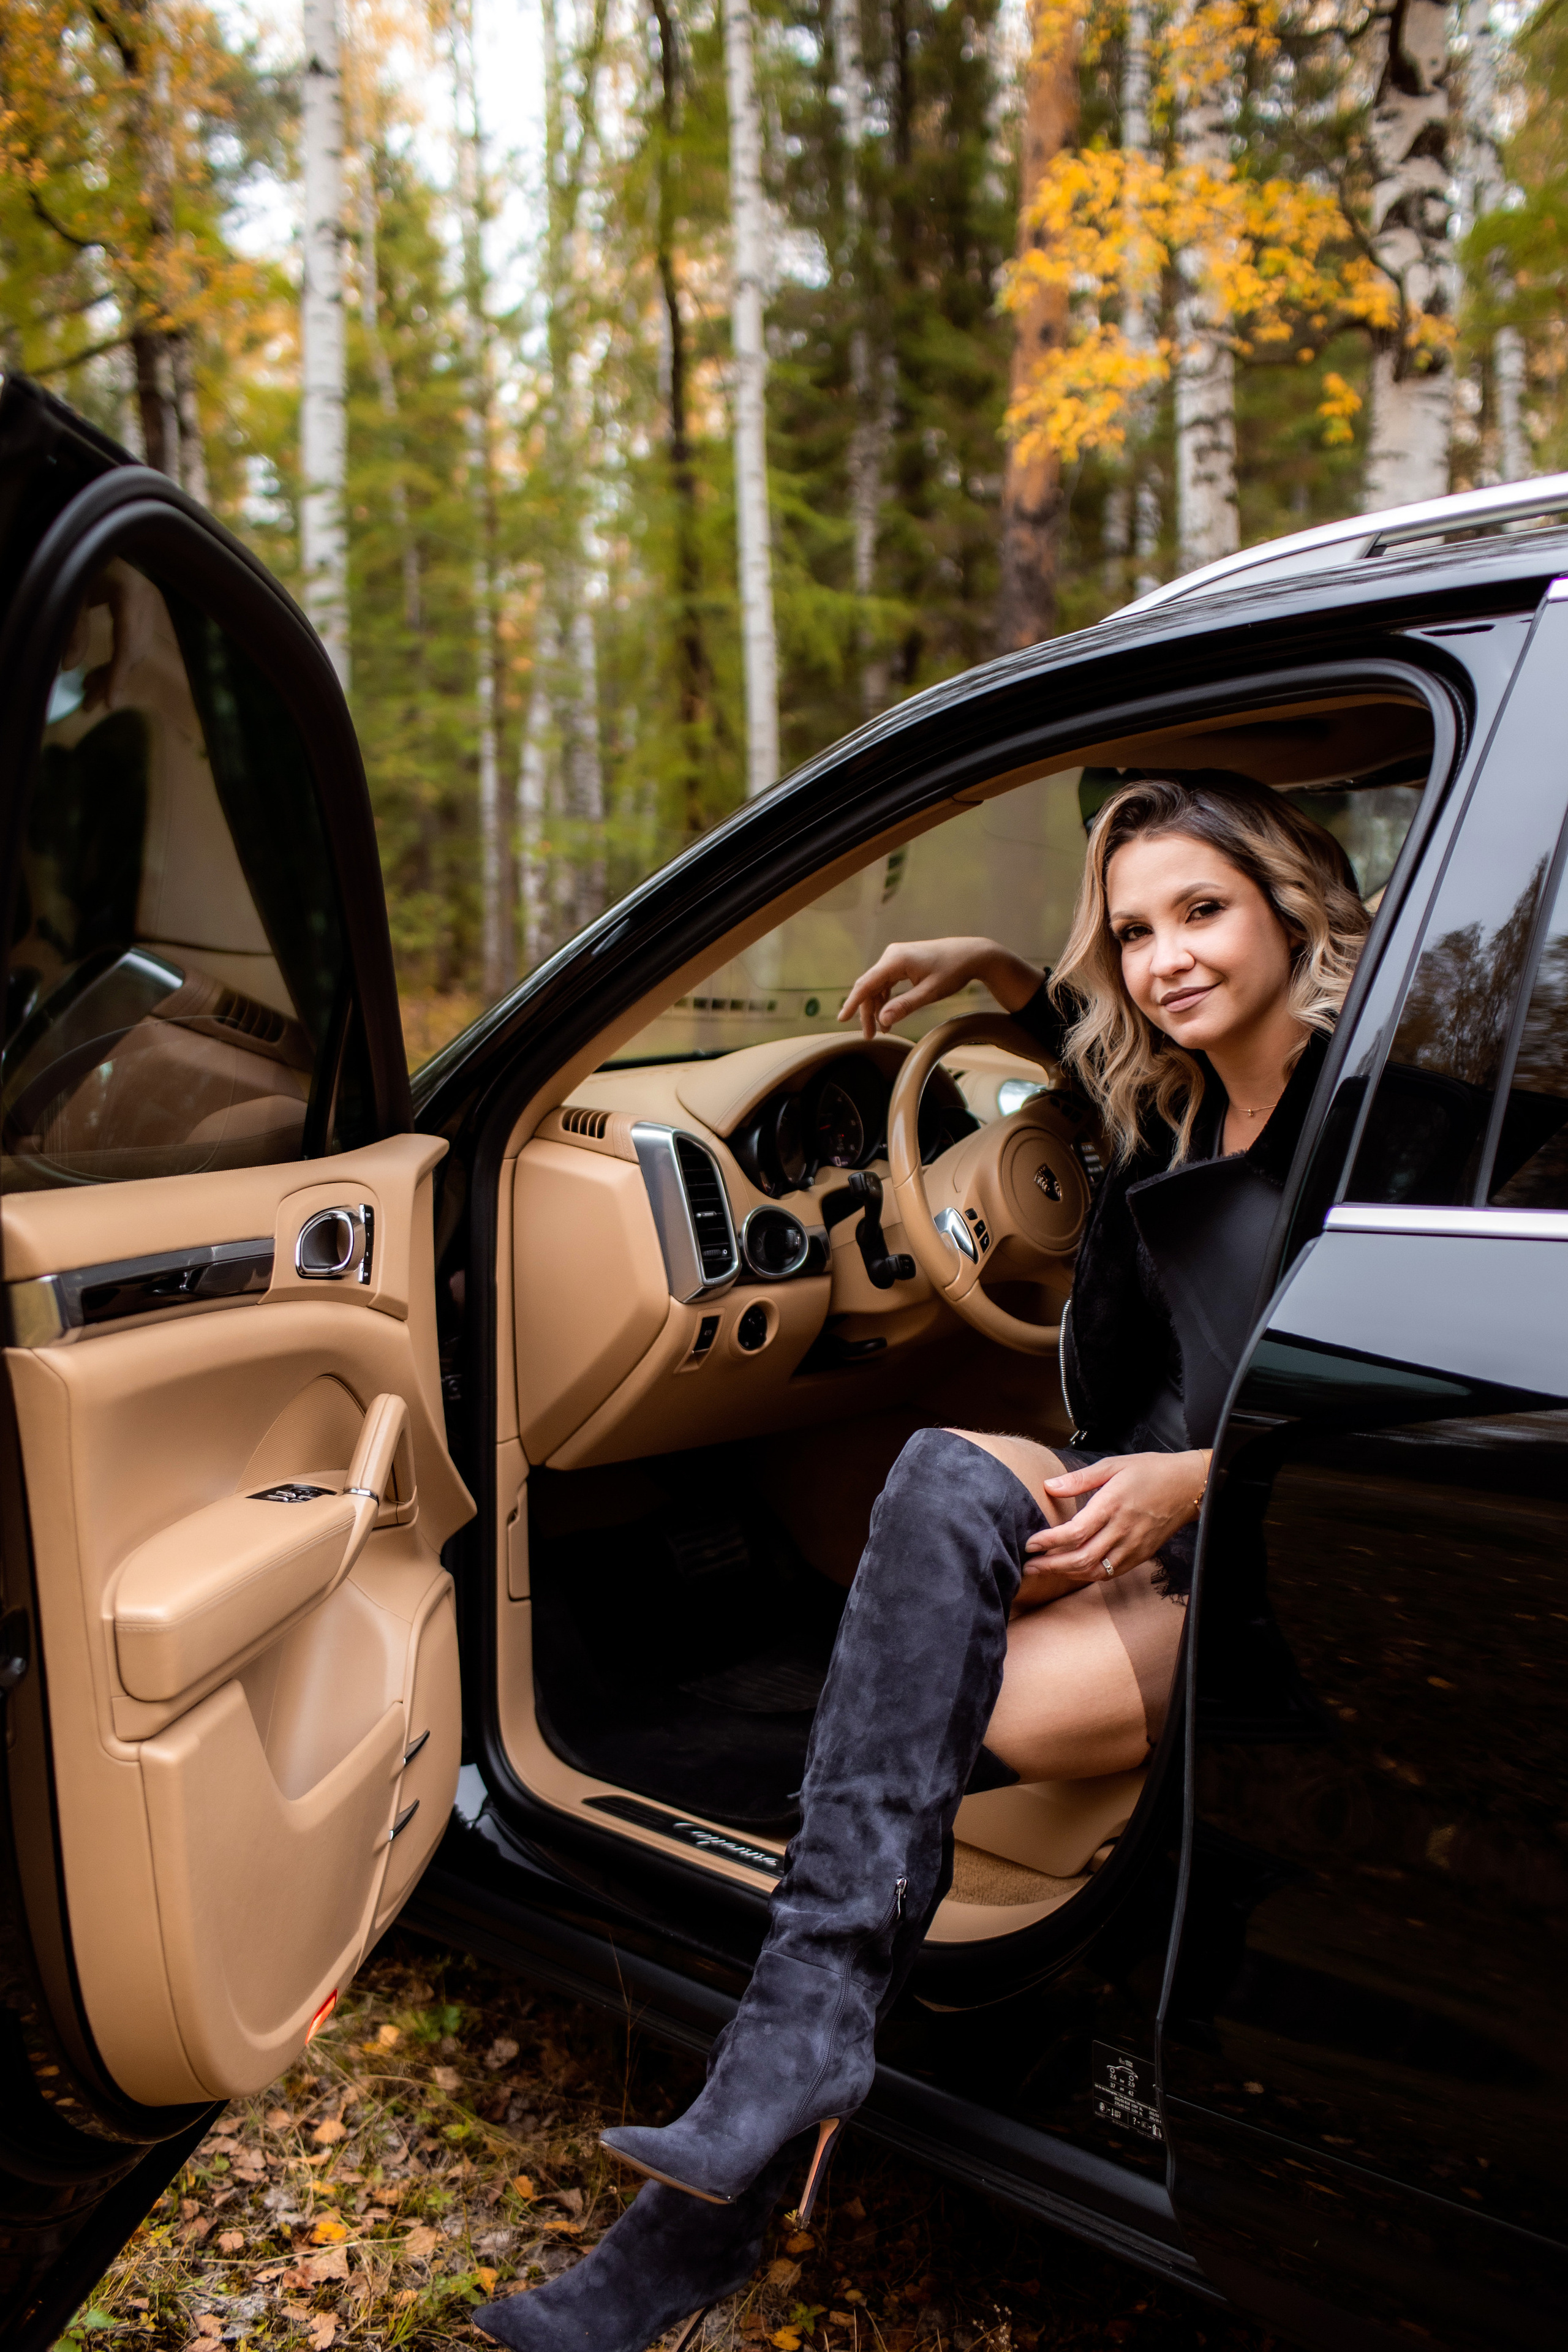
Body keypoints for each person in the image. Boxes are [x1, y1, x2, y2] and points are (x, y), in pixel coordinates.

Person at [475, 772, 1369, 2352]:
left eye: (1205, 913)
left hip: (1289, 1551)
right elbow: (1082, 1092)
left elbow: (1437, 1406)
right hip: (1136, 1501)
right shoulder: (1165, 1102)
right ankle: (798, 2044)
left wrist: (1194, 1482)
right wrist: (996, 970)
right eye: (1133, 928)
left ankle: (709, 2205)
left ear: (1296, 907)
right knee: (939, 1473)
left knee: (970, 1688)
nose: (1164, 958)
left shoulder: (1391, 1113)